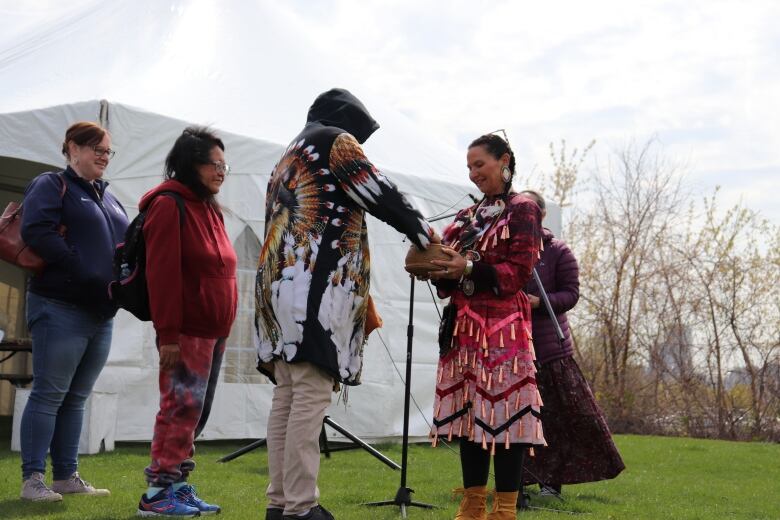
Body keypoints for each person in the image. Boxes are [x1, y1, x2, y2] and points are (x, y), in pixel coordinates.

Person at [255, 88, 435, 520]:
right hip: (312, 291)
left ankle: (279, 504)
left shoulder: (287, 155)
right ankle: (302, 507)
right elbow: (378, 190)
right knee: (310, 397)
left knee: (288, 396)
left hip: (279, 288)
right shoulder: (334, 141)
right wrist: (422, 232)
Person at [427, 133, 545, 520]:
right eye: (470, 168)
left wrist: (471, 268)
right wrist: (432, 262)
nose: (474, 174)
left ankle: (506, 510)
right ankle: (473, 505)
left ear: (504, 160)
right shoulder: (466, 218)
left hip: (504, 332)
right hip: (463, 331)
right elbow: (446, 282)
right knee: (468, 417)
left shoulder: (523, 209)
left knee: (507, 417)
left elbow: (518, 273)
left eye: (481, 164)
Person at [19, 121, 129, 501]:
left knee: (77, 396)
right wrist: (82, 270)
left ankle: (66, 476)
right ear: (72, 148)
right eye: (96, 148)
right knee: (49, 394)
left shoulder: (109, 198)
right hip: (59, 306)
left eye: (107, 151)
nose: (103, 156)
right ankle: (33, 480)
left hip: (101, 314)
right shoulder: (52, 184)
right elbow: (37, 231)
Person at [136, 127, 238, 517]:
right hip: (186, 331)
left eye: (225, 164)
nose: (222, 171)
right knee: (179, 407)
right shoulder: (168, 205)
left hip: (213, 331)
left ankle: (177, 483)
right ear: (191, 164)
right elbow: (162, 275)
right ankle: (157, 493)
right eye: (215, 164)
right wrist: (169, 336)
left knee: (195, 411)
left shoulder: (208, 208)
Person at [519, 190, 624, 496]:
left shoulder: (558, 252)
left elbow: (571, 294)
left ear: (540, 215)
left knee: (556, 421)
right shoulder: (509, 250)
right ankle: (518, 482)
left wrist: (540, 301)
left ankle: (551, 483)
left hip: (551, 352)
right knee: (519, 420)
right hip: (513, 349)